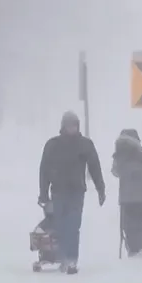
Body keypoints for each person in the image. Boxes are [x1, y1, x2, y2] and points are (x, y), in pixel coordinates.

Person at [38, 111, 106, 274]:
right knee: (60, 226)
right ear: (63, 126)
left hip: (76, 192)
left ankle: (71, 260)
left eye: (74, 125)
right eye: (69, 125)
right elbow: (44, 170)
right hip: (58, 192)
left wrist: (100, 188)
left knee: (73, 226)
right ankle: (62, 258)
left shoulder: (84, 144)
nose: (72, 128)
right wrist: (43, 194)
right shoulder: (52, 145)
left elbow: (95, 167)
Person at [111, 129, 142, 257]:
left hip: (125, 197)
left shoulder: (119, 157)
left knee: (128, 223)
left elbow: (115, 172)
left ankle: (132, 248)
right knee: (141, 221)